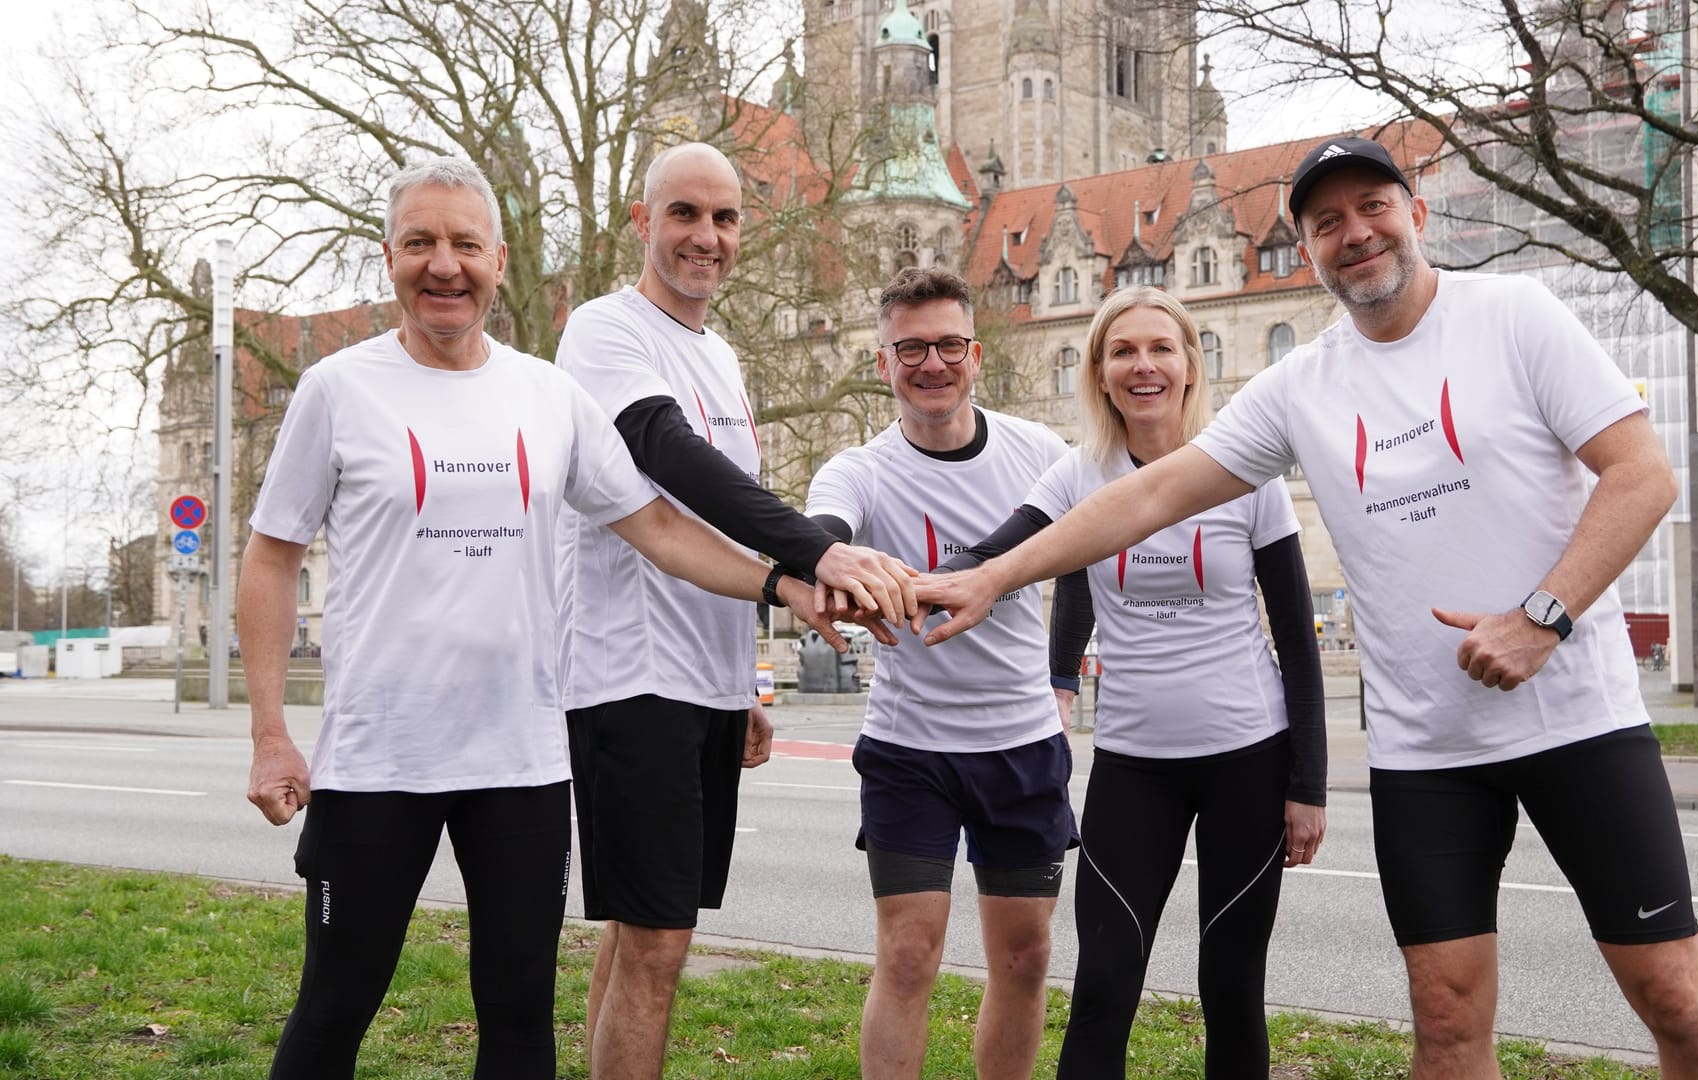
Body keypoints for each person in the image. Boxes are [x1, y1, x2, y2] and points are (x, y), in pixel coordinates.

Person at [915, 137, 1698, 1079]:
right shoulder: (1297, 386)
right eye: (1326, 222)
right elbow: (1147, 496)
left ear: (1417, 213)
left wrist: (1541, 617)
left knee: (1678, 1004)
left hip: (1577, 720)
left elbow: (1642, 474)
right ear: (1308, 247)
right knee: (1444, 1024)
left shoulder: (1514, 316)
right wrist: (995, 576)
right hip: (1426, 752)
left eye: (1372, 207)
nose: (1353, 233)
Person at [237, 156, 847, 1080]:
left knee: (521, 1022)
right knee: (335, 1006)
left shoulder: (546, 395)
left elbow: (654, 525)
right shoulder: (337, 389)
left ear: (499, 257)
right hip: (376, 759)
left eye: (465, 245)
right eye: (421, 244)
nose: (445, 266)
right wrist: (272, 734)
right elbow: (272, 556)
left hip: (519, 762)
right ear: (389, 257)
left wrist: (781, 585)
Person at [553, 141, 916, 1080]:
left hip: (701, 684)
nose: (705, 237)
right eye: (683, 214)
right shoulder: (605, 331)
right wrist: (816, 551)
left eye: (723, 218)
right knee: (661, 945)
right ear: (642, 221)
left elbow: (720, 525)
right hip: (629, 678)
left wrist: (742, 679)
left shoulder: (722, 352)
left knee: (640, 932)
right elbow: (668, 460)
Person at [943, 286, 1328, 1078]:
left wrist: (1309, 785)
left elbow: (1296, 634)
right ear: (1100, 372)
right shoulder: (1079, 473)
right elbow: (1002, 553)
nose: (1143, 365)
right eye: (1123, 351)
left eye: (1162, 348)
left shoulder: (1245, 470)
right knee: (1106, 983)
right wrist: (901, 580)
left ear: (1191, 365)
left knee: (1231, 985)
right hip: (1132, 761)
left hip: (1247, 758)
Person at [804, 266, 1075, 1080]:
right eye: (910, 349)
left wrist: (1063, 678)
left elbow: (1090, 552)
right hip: (909, 752)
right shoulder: (860, 468)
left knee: (1025, 960)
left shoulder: (1041, 452)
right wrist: (833, 566)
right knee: (910, 957)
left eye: (948, 345)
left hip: (1023, 746)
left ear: (976, 353)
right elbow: (822, 531)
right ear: (882, 363)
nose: (932, 364)